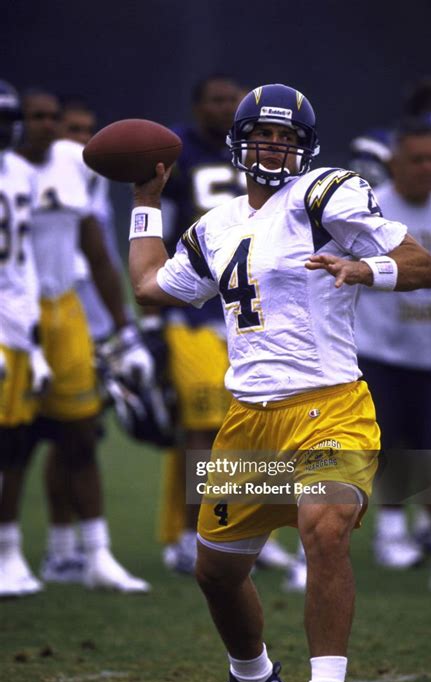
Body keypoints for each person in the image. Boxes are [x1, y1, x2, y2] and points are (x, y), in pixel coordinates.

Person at [128, 83, 431, 682]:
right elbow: (147, 287)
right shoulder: (215, 226)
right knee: (215, 573)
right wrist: (144, 203)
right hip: (247, 418)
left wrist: (364, 269)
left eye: (287, 136)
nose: (274, 145)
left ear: (305, 146)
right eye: (263, 134)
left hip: (330, 403)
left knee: (324, 530)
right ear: (240, 143)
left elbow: (421, 265)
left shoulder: (326, 193)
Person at [0, 87, 153, 595]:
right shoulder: (10, 170)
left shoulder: (72, 163)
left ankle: (96, 554)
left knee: (81, 434)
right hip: (16, 309)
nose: (45, 125)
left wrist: (124, 330)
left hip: (65, 308)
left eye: (50, 116)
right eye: (37, 117)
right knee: (14, 442)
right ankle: (9, 551)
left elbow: (97, 250)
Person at [148, 74, 293, 575]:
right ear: (196, 106)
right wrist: (154, 322)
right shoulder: (179, 150)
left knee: (258, 423)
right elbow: (164, 238)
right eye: (215, 100)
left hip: (252, 308)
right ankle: (193, 534)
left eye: (232, 100)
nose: (225, 107)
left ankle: (249, 528)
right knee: (206, 425)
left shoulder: (270, 159)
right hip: (195, 311)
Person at [355, 118, 431, 590]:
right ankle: (388, 535)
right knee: (378, 451)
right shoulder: (370, 209)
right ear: (395, 162)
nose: (428, 168)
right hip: (380, 351)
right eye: (417, 159)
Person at [0, 79, 52, 597]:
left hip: (17, 321)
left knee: (13, 445)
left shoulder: (19, 172)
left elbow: (24, 261)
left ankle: (9, 550)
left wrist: (34, 343)